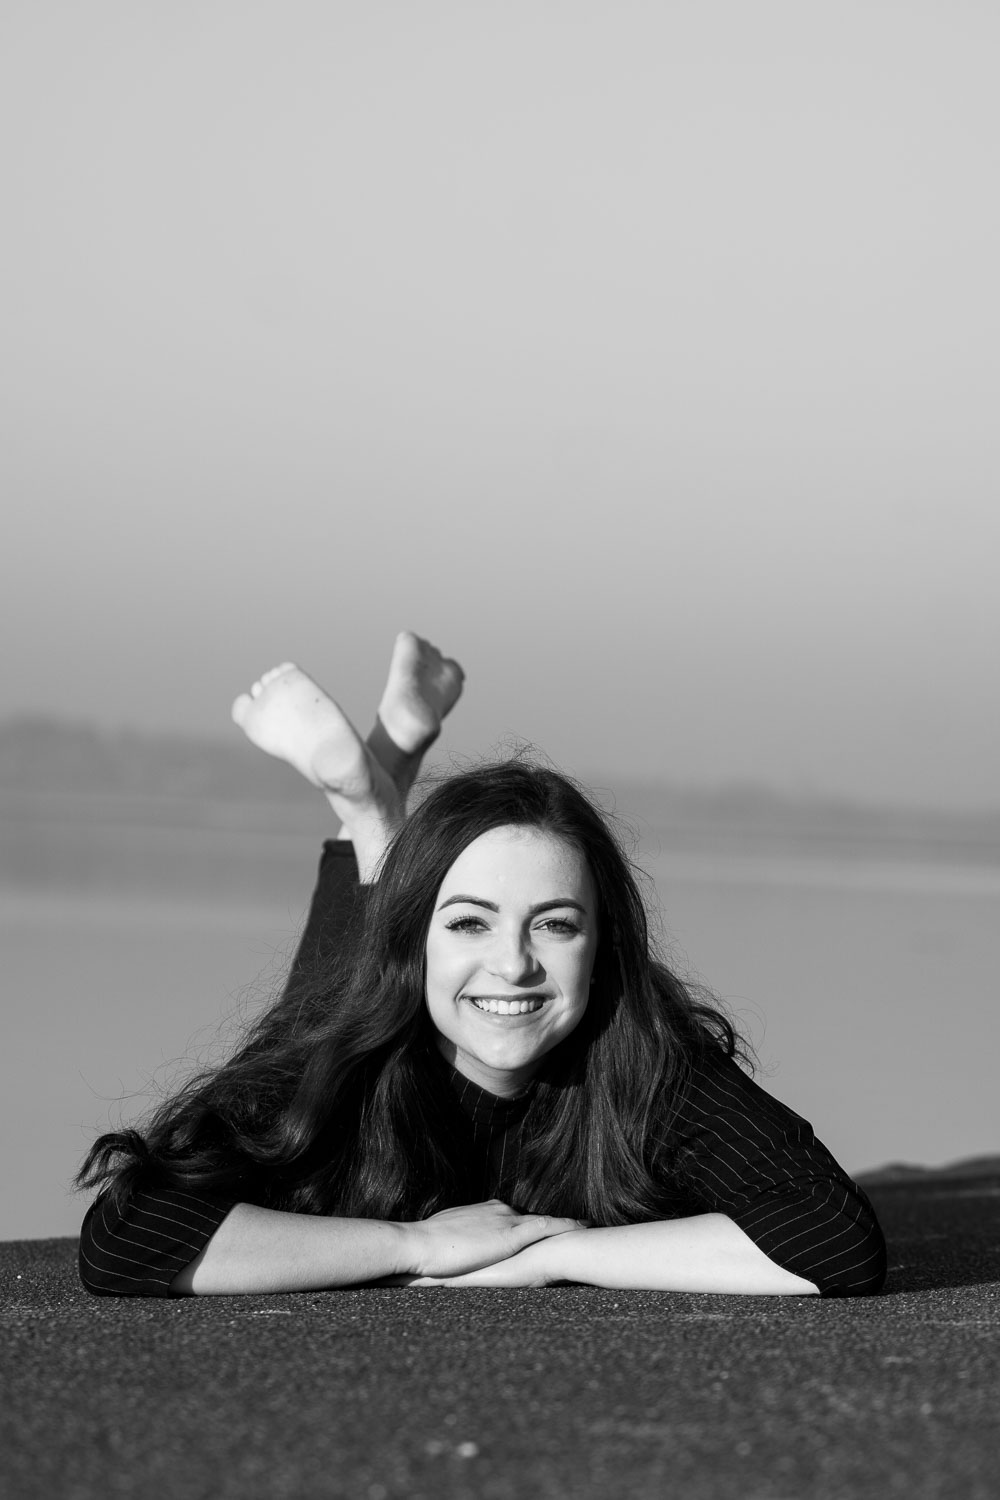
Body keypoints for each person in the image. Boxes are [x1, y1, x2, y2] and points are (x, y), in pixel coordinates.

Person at [77, 632, 886, 1298]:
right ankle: (370, 819)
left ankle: (374, 814)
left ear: (603, 946)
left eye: (556, 925)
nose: (514, 964)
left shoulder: (644, 1059)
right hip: (370, 1005)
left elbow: (831, 1238)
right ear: (420, 942)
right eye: (470, 923)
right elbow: (128, 1234)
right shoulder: (343, 1061)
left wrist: (550, 1256)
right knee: (329, 1002)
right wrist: (418, 1245)